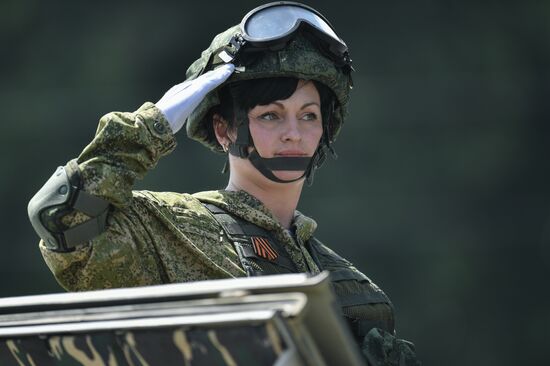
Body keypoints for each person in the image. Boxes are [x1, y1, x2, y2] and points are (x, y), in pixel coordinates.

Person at [28, 2, 420, 364]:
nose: (293, 134)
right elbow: (62, 216)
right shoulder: (171, 230)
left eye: (308, 115)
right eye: (270, 115)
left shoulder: (357, 294)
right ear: (223, 129)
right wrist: (151, 125)